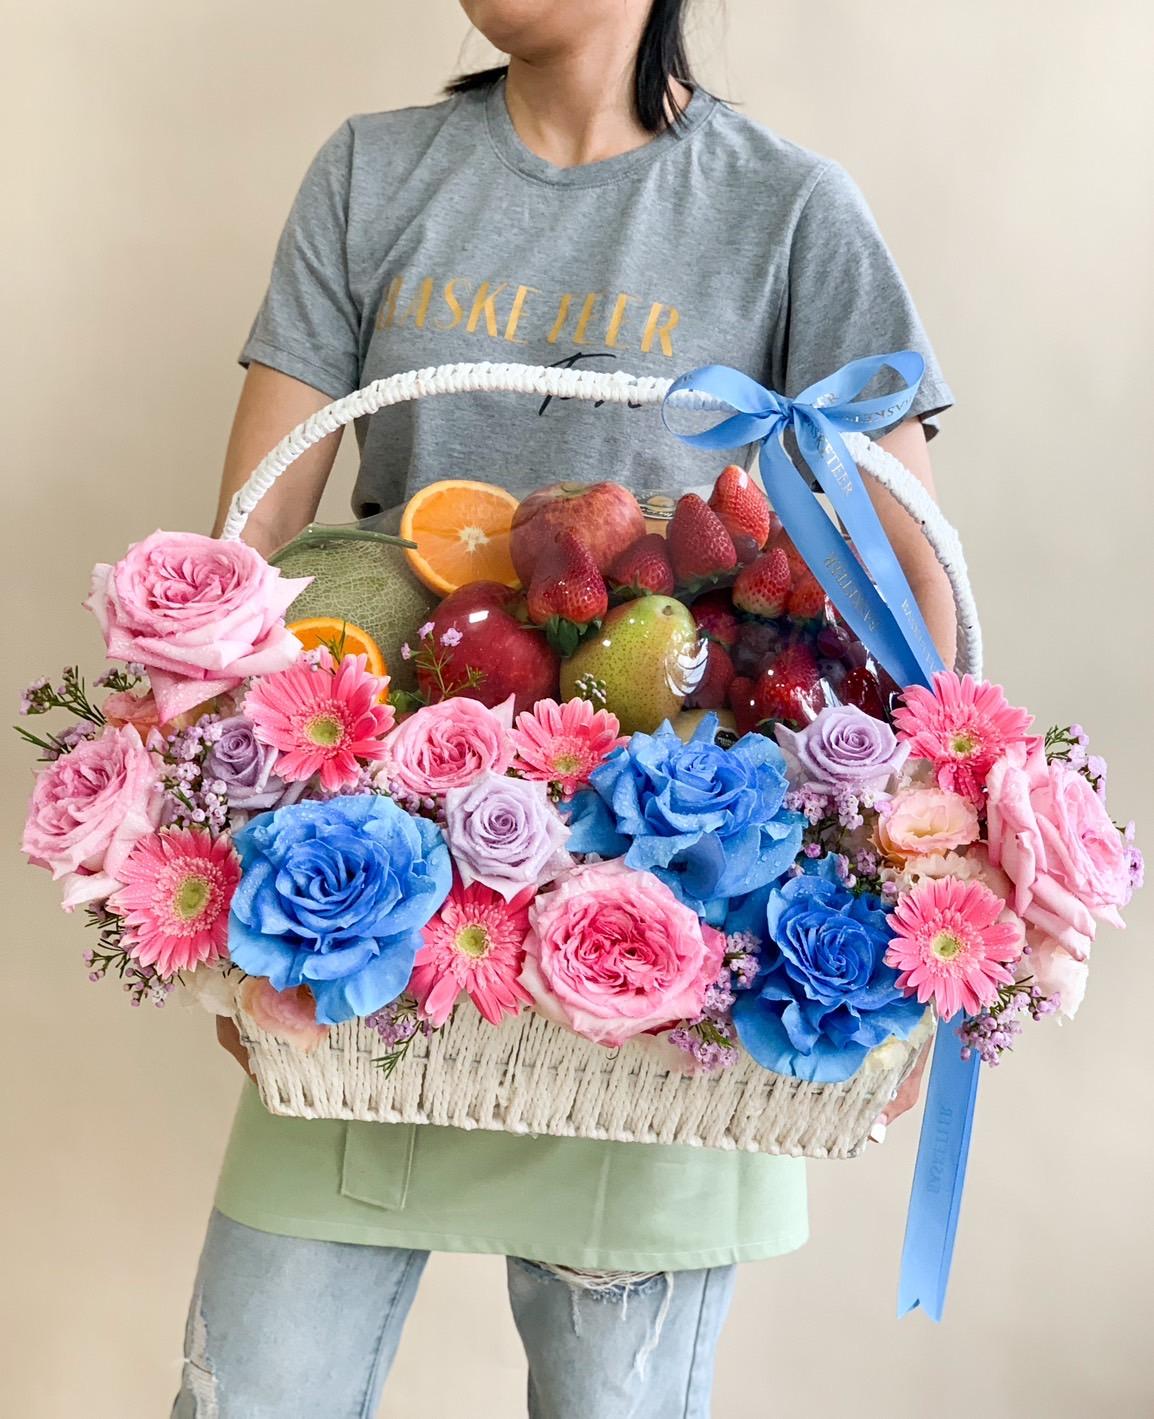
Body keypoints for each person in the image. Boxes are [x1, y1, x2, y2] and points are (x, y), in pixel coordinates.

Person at [174, 2, 954, 1414]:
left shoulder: (785, 210)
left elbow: (907, 569)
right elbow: (247, 541)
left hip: (660, 927)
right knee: (249, 1394)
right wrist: (204, 838)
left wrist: (924, 894)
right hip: (380, 905)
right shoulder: (372, 171)